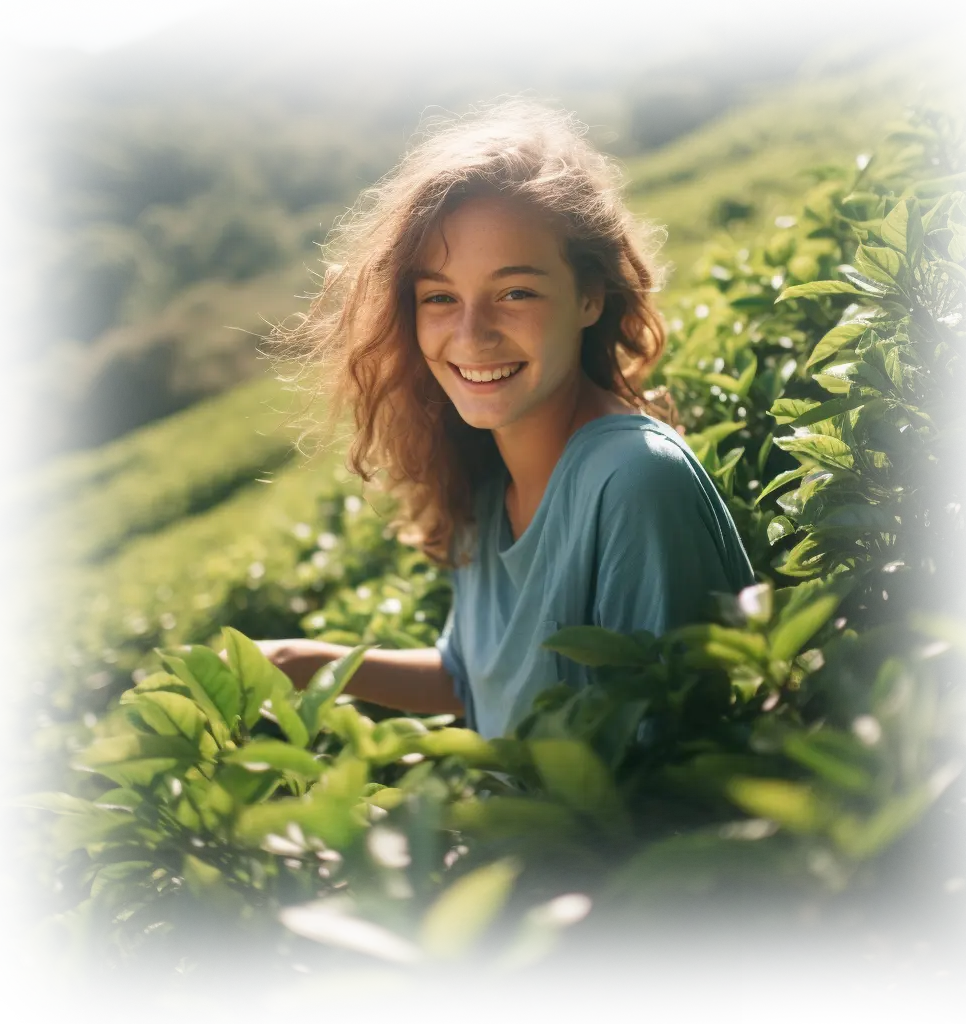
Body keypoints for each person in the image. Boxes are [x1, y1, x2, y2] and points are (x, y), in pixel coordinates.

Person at [247, 95, 756, 742]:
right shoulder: (487, 479)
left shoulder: (633, 480)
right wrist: (298, 662)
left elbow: (674, 757)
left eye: (515, 292)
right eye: (439, 297)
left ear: (590, 297)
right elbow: (471, 678)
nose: (471, 334)